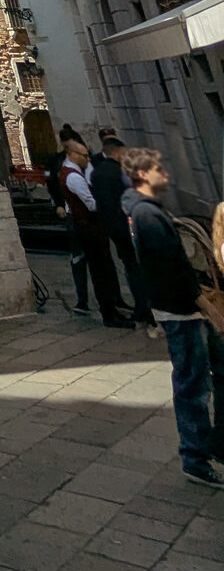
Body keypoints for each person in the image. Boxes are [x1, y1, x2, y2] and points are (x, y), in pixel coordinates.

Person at [122, 148, 224, 488]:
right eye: (157, 168)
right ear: (142, 175)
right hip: (182, 311)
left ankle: (216, 443)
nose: (164, 172)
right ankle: (195, 459)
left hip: (185, 307)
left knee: (215, 374)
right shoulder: (147, 214)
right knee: (193, 385)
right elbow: (170, 267)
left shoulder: (149, 210)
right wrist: (204, 303)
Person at [62, 139, 136, 328]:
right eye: (84, 156)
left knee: (104, 269)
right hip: (89, 229)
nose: (88, 159)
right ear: (72, 155)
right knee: (101, 271)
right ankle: (109, 312)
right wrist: (109, 202)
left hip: (90, 228)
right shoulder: (73, 177)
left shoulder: (74, 172)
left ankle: (112, 307)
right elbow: (91, 204)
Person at [90, 136, 153, 324]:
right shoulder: (122, 172)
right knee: (141, 266)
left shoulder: (96, 173)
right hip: (131, 225)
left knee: (130, 267)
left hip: (113, 227)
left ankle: (141, 306)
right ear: (117, 152)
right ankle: (148, 306)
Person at [47, 125, 91, 315]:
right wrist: (57, 204)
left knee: (99, 259)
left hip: (89, 215)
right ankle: (82, 299)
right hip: (72, 215)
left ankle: (111, 299)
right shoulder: (57, 162)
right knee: (77, 258)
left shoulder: (87, 159)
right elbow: (51, 182)